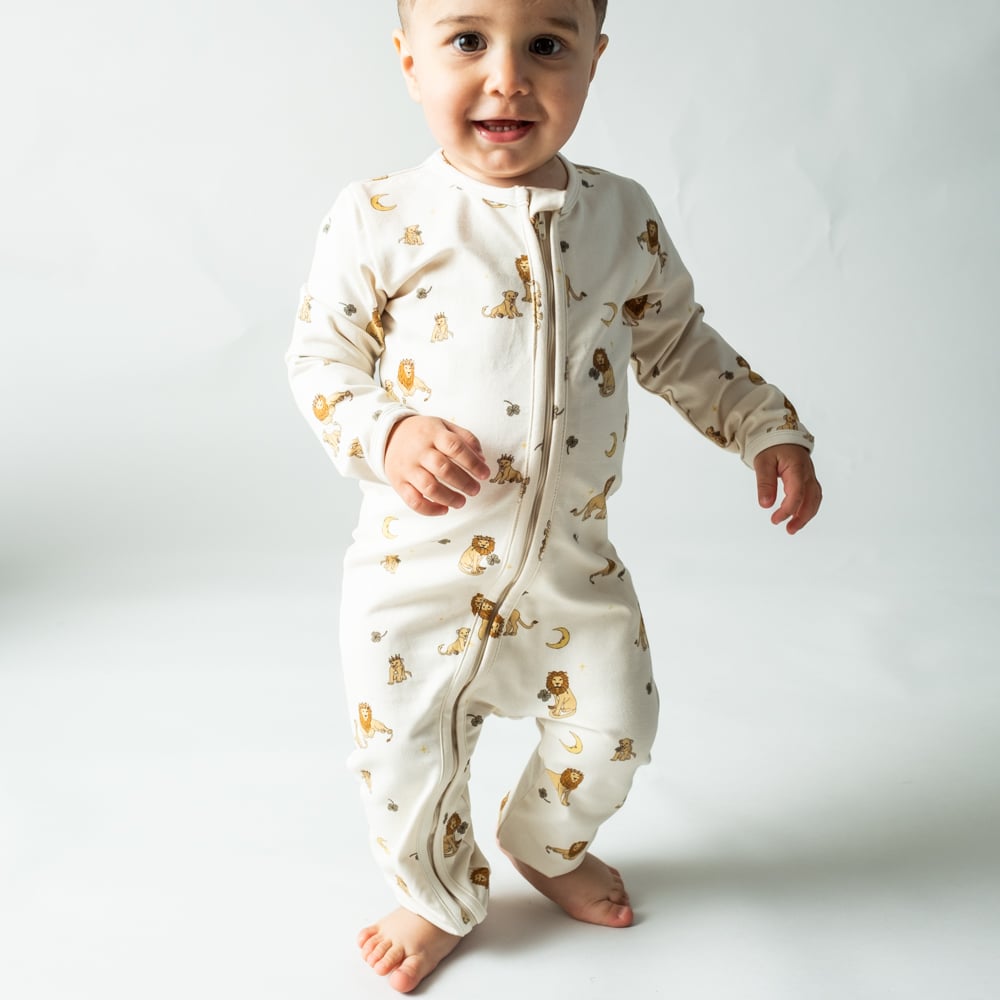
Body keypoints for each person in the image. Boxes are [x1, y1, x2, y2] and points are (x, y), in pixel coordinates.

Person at [286, 0, 822, 991]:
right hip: (416, 571)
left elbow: (678, 344)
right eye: (467, 40)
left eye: (545, 44)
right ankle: (435, 895)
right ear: (409, 61)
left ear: (593, 59)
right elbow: (322, 359)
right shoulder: (379, 215)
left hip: (570, 564)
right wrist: (388, 433)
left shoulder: (619, 216)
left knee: (617, 728)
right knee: (404, 756)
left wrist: (764, 423)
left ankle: (544, 841)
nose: (507, 75)